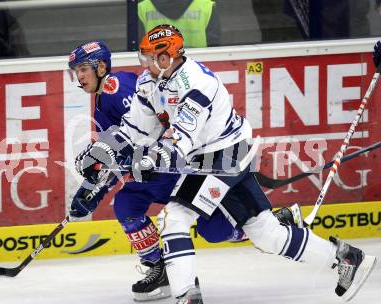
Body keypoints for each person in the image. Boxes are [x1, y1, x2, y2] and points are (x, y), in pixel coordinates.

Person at [76, 25, 377, 304]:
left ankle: (186, 298)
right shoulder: (150, 82)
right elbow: (134, 129)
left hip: (221, 159)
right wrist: (101, 151)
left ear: (168, 57)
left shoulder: (197, 84)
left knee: (174, 220)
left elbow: (180, 143)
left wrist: (148, 160)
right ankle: (345, 258)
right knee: (266, 233)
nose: (144, 62)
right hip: (217, 158)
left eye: (150, 57)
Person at [68, 39, 301, 302]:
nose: (79, 76)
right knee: (127, 204)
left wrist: (103, 182)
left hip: (171, 165)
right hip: (153, 170)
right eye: (76, 71)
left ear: (100, 67)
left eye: (83, 69)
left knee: (214, 230)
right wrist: (92, 190)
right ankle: (163, 268)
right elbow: (113, 153)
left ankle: (274, 224)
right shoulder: (102, 101)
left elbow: (147, 130)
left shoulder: (116, 89)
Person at [138, 0, 221, 48]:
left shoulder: (143, 8)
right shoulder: (206, 6)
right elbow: (214, 45)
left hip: (158, 69)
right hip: (197, 69)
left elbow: (138, 48)